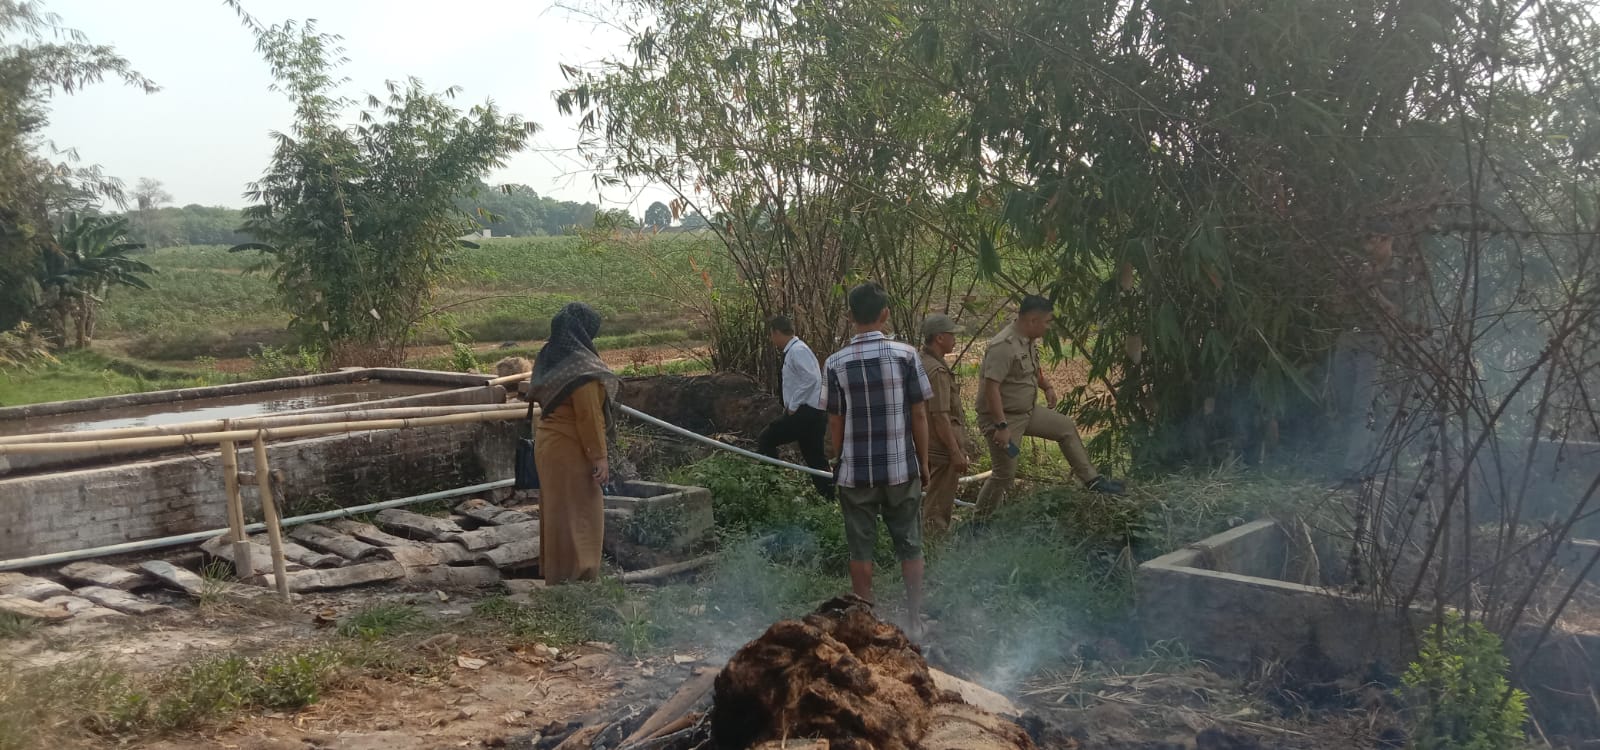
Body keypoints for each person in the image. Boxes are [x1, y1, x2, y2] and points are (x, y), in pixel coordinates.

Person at [822, 282, 933, 638]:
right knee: (910, 544)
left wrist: (838, 458)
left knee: (861, 549)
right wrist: (925, 462)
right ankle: (914, 620)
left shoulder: (835, 363)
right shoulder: (906, 356)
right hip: (901, 469)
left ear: (850, 316)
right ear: (885, 314)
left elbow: (835, 419)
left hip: (856, 473)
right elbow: (919, 414)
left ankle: (866, 623)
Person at [975, 295, 1124, 520]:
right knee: (1004, 475)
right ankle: (980, 522)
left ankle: (1092, 481)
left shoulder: (1026, 340)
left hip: (1027, 411)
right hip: (1003, 419)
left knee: (1065, 427)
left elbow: (1032, 368)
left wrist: (1047, 386)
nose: (1048, 327)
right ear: (1033, 320)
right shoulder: (1002, 346)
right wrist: (1001, 426)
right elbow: (991, 388)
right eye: (1047, 322)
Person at [528, 302, 618, 583]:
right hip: (571, 446)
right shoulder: (583, 368)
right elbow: (588, 416)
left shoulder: (551, 356)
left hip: (548, 443)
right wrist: (599, 457)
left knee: (557, 510)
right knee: (582, 510)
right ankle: (582, 573)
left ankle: (559, 574)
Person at [758, 316, 834, 499]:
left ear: (776, 332)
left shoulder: (797, 351)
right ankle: (829, 498)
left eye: (771, 335)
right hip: (813, 413)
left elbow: (812, 378)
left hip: (805, 413)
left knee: (766, 439)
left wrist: (793, 405)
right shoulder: (796, 350)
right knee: (815, 458)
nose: (772, 340)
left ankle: (773, 489)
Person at [918, 313, 977, 536]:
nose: (955, 340)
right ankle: (934, 548)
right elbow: (940, 416)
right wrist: (955, 452)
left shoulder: (920, 362)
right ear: (940, 338)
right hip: (940, 448)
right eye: (952, 335)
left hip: (924, 443)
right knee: (938, 504)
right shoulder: (937, 371)